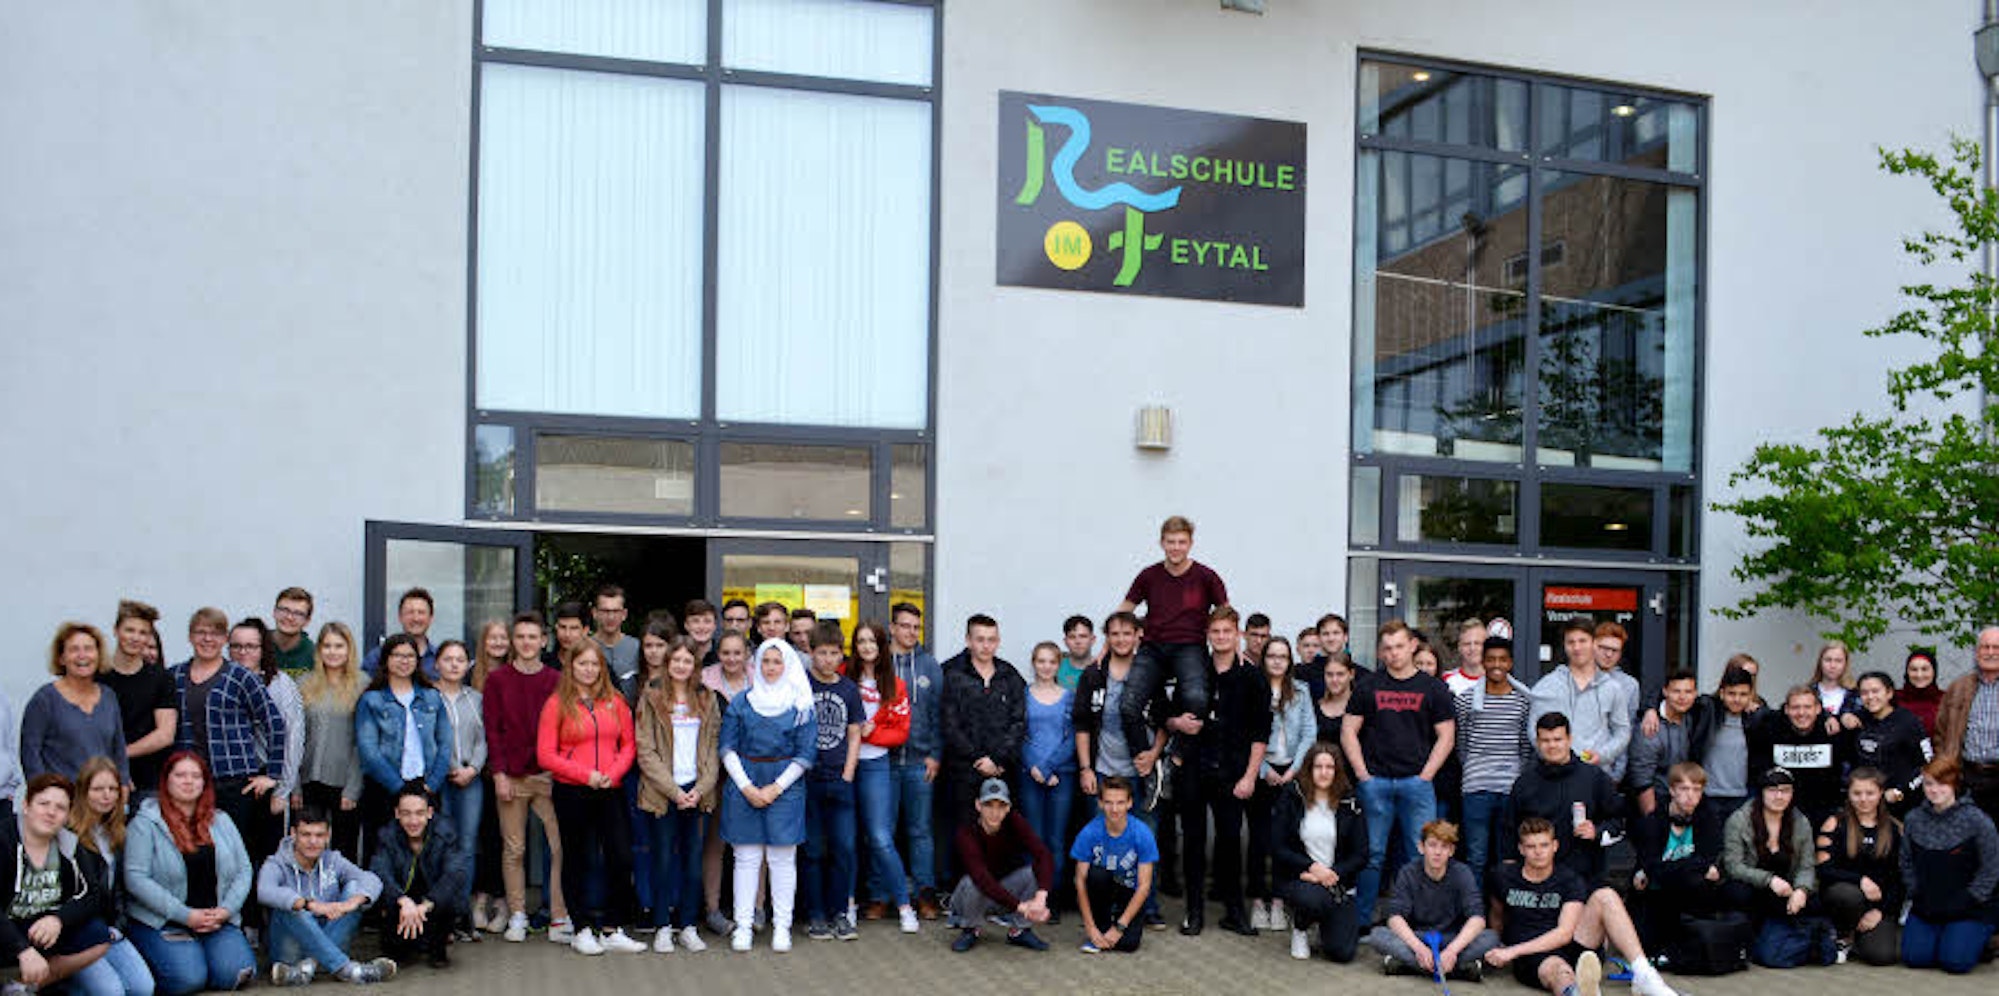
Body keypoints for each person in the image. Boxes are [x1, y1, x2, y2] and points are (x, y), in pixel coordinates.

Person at [1341, 619, 1455, 924]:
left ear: (1413, 645)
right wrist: (1363, 775)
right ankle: (1361, 921)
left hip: (1416, 784)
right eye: (1388, 648)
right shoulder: (1368, 685)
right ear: (1381, 651)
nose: (1394, 653)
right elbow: (1348, 730)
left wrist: (1426, 775)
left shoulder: (1433, 688)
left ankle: (1419, 922)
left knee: (1422, 855)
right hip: (1375, 782)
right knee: (1372, 855)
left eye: (1400, 646)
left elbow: (1447, 735)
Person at [1485, 817, 1679, 996]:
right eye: (1531, 846)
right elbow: (1497, 915)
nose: (1538, 852)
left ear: (1555, 846)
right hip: (1533, 955)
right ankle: (1579, 992)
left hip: (1571, 945)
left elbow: (1564, 933)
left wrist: (1512, 951)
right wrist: (1500, 948)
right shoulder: (1503, 876)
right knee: (1560, 971)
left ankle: (1644, 974)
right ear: (1521, 849)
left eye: (1544, 845)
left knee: (1606, 896)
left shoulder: (1568, 878)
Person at [536, 642, 643, 955]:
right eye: (582, 663)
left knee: (621, 857)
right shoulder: (557, 703)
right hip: (572, 791)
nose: (589, 669)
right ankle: (581, 928)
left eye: (594, 664)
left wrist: (612, 773)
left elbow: (629, 745)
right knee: (577, 859)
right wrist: (586, 776)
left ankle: (611, 928)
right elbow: (545, 755)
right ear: (571, 666)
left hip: (611, 788)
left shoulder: (615, 701)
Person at [0, 773, 150, 996]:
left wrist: (58, 919)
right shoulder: (5, 839)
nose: (51, 812)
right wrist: (22, 950)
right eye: (43, 804)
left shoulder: (68, 844)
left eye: (60, 807)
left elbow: (92, 894)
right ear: (26, 805)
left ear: (68, 814)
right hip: (7, 931)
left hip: (40, 928)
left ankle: (20, 986)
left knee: (97, 933)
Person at [124, 753, 258, 995]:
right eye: (180, 775)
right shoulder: (144, 823)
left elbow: (244, 869)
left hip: (216, 920)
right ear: (166, 780)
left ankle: (199, 955)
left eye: (196, 776)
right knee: (187, 980)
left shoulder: (221, 820)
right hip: (165, 921)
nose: (188, 781)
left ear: (205, 782)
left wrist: (226, 910)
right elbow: (135, 878)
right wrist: (185, 915)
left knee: (235, 973)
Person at [1112, 516, 1229, 790]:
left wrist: (1235, 648)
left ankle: (1173, 760)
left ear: (1190, 543)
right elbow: (1125, 610)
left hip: (1190, 647)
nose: (1176, 547)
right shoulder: (1149, 575)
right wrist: (1108, 644)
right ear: (1161, 543)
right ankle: (1146, 764)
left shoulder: (1206, 576)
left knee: (1198, 699)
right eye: (1171, 542)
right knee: (1128, 705)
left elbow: (1226, 614)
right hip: (1153, 647)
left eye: (1181, 542)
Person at [1174, 608, 1269, 937]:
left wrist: (1250, 776)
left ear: (1238, 634)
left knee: (1229, 844)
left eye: (1227, 631)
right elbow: (1168, 711)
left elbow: (1261, 732)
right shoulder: (1194, 672)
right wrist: (1176, 722)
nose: (1221, 637)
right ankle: (1194, 912)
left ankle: (1234, 913)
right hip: (1193, 769)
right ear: (1208, 635)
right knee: (1194, 843)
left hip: (1233, 773)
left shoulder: (1252, 677)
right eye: (1215, 631)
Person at [719, 638, 816, 953]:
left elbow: (806, 753)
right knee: (746, 859)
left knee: (782, 859)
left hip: (785, 786)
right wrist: (747, 787)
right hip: (744, 784)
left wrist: (776, 788)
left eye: (777, 662)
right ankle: (743, 926)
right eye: (765, 661)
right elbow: (727, 747)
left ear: (787, 666)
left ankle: (782, 927)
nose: (771, 667)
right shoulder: (742, 702)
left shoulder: (800, 705)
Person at [170, 609, 286, 870]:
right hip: (189, 782)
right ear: (190, 636)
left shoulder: (241, 676)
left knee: (235, 856)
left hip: (233, 783)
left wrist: (273, 774)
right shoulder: (174, 676)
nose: (207, 639)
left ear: (224, 639)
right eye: (201, 632)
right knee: (192, 854)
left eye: (215, 633)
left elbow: (275, 723)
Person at [482, 612, 569, 943]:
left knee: (558, 847)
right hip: (512, 776)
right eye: (520, 637)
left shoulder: (556, 679)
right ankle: (518, 914)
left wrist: (559, 769)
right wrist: (499, 774)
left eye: (533, 637)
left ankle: (559, 916)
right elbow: (493, 730)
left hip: (548, 775)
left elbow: (564, 726)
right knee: (514, 849)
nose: (526, 642)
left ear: (544, 641)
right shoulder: (497, 680)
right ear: (512, 642)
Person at [634, 635, 721, 953]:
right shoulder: (652, 695)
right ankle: (662, 926)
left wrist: (700, 788)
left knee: (693, 861)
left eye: (688, 661)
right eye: (676, 660)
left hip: (697, 791)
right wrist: (673, 791)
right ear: (668, 662)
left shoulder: (707, 697)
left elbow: (713, 747)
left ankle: (688, 926)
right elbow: (645, 750)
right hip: (663, 792)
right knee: (662, 860)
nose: (682, 666)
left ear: (695, 665)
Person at [257, 805, 393, 985]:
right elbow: (264, 890)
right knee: (291, 906)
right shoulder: (276, 863)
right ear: (293, 834)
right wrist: (308, 904)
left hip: (329, 941)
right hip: (290, 952)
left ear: (328, 836)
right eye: (306, 835)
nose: (313, 841)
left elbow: (371, 879)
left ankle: (307, 968)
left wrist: (350, 904)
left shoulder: (333, 860)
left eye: (319, 835)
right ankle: (349, 970)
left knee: (355, 888)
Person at [939, 615, 1026, 879]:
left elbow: (1019, 721)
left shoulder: (1009, 675)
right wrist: (978, 758)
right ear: (968, 640)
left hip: (1002, 770)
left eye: (991, 640)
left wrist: (997, 760)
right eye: (980, 639)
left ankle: (1000, 890)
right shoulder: (951, 673)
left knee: (1002, 832)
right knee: (964, 832)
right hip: (963, 770)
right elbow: (949, 724)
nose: (986, 646)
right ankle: (963, 890)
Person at [847, 621, 919, 932]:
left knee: (879, 837)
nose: (866, 647)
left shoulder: (895, 684)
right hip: (844, 765)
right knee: (847, 840)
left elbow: (900, 732)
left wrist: (871, 734)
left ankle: (904, 907)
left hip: (876, 766)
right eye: (861, 641)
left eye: (872, 641)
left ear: (881, 646)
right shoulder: (843, 675)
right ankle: (847, 905)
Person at [354, 634, 451, 860]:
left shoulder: (432, 697)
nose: (404, 661)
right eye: (397, 655)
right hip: (384, 786)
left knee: (427, 853)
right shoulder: (371, 699)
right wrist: (399, 788)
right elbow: (368, 751)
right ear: (386, 660)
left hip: (425, 785)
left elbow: (445, 743)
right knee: (380, 851)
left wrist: (433, 784)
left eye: (409, 656)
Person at [1899, 756, 1999, 973]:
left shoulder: (1978, 821)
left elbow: (1991, 870)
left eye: (1942, 783)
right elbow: (1905, 861)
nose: (1934, 790)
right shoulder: (1913, 819)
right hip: (1927, 906)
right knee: (1915, 958)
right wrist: (1915, 891)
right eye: (1929, 784)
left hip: (1968, 908)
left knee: (1955, 962)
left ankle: (1982, 941)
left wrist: (1969, 899)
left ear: (1955, 784)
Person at [1273, 744, 1367, 963]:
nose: (1324, 772)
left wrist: (1334, 873)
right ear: (1309, 769)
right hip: (1303, 879)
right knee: (1311, 898)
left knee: (1342, 953)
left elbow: (1361, 854)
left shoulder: (1350, 801)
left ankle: (1325, 928)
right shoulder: (1293, 796)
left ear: (1337, 771)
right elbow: (1278, 846)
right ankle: (1301, 927)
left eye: (1329, 767)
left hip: (1338, 883)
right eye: (1318, 767)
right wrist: (1311, 868)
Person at [1369, 820, 1497, 978]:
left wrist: (1452, 951)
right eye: (1432, 845)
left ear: (1451, 851)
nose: (1438, 852)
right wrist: (1419, 949)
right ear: (1421, 847)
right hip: (1419, 937)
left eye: (1444, 847)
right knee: (1378, 935)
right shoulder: (1408, 872)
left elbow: (1477, 918)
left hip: (1451, 938)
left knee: (1491, 938)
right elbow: (1395, 917)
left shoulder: (1462, 872)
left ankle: (1411, 966)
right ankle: (1458, 969)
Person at [1508, 713, 1623, 889]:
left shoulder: (1594, 778)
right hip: (1537, 882)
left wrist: (1597, 831)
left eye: (1557, 739)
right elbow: (1509, 831)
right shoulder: (1524, 783)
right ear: (1537, 743)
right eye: (1545, 740)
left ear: (1569, 739)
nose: (1552, 745)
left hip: (1585, 877)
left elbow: (1618, 821)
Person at [799, 623, 862, 942]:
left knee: (844, 848)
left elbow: (854, 734)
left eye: (834, 653)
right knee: (812, 850)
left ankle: (840, 913)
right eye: (822, 652)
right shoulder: (801, 685)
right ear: (810, 652)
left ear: (841, 655)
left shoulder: (848, 689)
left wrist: (847, 774)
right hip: (807, 778)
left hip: (840, 778)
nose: (827, 659)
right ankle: (815, 914)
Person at [369, 782, 471, 969]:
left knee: (449, 899)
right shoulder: (387, 835)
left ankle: (438, 944)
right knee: (397, 951)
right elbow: (379, 871)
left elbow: (455, 873)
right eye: (406, 813)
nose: (413, 821)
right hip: (402, 904)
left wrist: (426, 905)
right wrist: (402, 900)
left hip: (431, 902)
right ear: (397, 813)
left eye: (419, 813)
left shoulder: (445, 832)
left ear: (430, 813)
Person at [1626, 761, 1726, 951]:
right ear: (1672, 790)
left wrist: (1676, 869)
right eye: (1684, 789)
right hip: (1656, 895)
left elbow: (1709, 857)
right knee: (1645, 944)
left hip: (1691, 896)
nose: (1690, 796)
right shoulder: (1653, 821)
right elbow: (1652, 867)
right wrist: (1695, 867)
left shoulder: (1708, 817)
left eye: (1697, 790)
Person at [1249, 635, 1312, 931]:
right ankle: (1257, 902)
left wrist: (1294, 770)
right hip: (1260, 769)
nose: (1277, 661)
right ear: (1264, 659)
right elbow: (1246, 733)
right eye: (1272, 656)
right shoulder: (1253, 687)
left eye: (1283, 657)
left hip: (1291, 770)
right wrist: (1263, 770)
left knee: (1284, 839)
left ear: (1290, 661)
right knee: (1258, 839)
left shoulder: (1301, 690)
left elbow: (1309, 734)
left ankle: (1278, 902)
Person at [946, 779, 1052, 953]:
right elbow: (981, 878)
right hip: (967, 898)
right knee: (972, 882)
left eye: (1001, 806)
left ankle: (1019, 931)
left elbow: (1043, 854)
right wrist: (1022, 907)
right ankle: (970, 929)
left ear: (1008, 808)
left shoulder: (1015, 820)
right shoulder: (966, 831)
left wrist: (1041, 897)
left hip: (1002, 894)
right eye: (989, 805)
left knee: (1033, 871)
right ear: (978, 805)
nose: (995, 813)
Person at [1455, 636, 1531, 878]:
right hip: (1476, 787)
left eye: (1502, 659)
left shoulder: (1523, 701)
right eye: (1491, 659)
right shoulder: (1466, 700)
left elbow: (1525, 745)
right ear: (1483, 662)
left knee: (1506, 856)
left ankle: (1502, 903)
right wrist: (1474, 769)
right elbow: (1461, 743)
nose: (1497, 664)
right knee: (1476, 856)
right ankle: (1475, 903)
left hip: (1510, 788)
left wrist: (1517, 776)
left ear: (1510, 663)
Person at [1816, 767, 1903, 966]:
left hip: (1878, 905)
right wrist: (1860, 880)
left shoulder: (1895, 828)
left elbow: (1899, 879)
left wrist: (1880, 912)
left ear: (1881, 793)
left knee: (1882, 956)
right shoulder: (1835, 823)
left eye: (1870, 793)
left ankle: (1860, 937)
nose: (1863, 799)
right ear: (1848, 794)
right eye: (1857, 793)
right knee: (1847, 894)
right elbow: (1823, 869)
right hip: (1844, 898)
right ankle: (1843, 935)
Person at [294, 622, 366, 860]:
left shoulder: (362, 685)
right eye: (327, 646)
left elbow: (362, 742)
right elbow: (295, 738)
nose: (332, 652)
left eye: (339, 646)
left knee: (344, 850)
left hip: (344, 781)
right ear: (319, 650)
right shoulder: (304, 683)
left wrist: (353, 788)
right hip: (308, 780)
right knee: (307, 846)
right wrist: (294, 786)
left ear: (349, 649)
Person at [23, 622, 129, 783]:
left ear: (98, 655)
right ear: (61, 658)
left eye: (88, 649)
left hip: (102, 794)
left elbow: (118, 749)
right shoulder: (45, 699)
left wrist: (123, 782)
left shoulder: (108, 697)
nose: (82, 655)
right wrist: (43, 790)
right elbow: (30, 753)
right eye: (74, 649)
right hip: (62, 795)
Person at [1529, 620, 1632, 783]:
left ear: (1594, 644)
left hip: (1596, 775)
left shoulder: (1612, 688)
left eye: (1582, 641)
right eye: (1571, 642)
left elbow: (1622, 731)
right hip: (1555, 776)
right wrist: (1557, 756)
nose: (1576, 648)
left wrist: (1602, 755)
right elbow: (1533, 730)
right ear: (1564, 646)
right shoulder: (1547, 685)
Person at [698, 629, 753, 935]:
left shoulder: (760, 677)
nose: (732, 659)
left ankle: (756, 908)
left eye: (737, 653)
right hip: (716, 773)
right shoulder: (705, 680)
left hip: (754, 772)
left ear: (747, 654)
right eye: (726, 653)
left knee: (752, 843)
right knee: (715, 841)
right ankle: (713, 909)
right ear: (718, 654)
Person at [1720, 766, 1817, 939]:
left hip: (1785, 887)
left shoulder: (1800, 822)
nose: (1779, 796)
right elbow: (1733, 866)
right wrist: (1769, 880)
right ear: (1761, 792)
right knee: (1738, 894)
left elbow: (1807, 866)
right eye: (1772, 790)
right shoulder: (1739, 820)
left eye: (1785, 791)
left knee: (1813, 903)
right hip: (1751, 885)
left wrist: (1801, 890)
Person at [1018, 641, 1075, 922]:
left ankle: (1053, 898)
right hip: (1029, 774)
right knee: (1034, 838)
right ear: (1034, 663)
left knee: (1055, 840)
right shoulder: (1024, 695)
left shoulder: (1069, 697)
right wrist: (1035, 767)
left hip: (1061, 776)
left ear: (1058, 665)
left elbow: (1072, 737)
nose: (1046, 666)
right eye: (1041, 661)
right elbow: (1019, 733)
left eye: (1052, 661)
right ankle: (1031, 898)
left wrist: (1049, 767)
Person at [1069, 777, 1155, 954]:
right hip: (1102, 890)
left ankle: (1112, 927)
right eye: (1108, 802)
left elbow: (1144, 886)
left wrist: (1120, 927)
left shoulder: (1142, 833)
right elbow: (1080, 881)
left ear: (1130, 803)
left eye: (1120, 802)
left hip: (1130, 892)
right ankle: (1100, 926)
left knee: (1129, 944)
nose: (1114, 809)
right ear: (1100, 803)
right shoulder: (1089, 833)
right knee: (1096, 875)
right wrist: (1090, 928)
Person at [104, 601, 178, 799]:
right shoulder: (98, 677)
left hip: (149, 781)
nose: (135, 638)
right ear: (116, 630)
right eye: (129, 630)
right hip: (101, 779)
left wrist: (121, 754)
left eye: (143, 632)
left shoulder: (162, 679)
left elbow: (165, 734)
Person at [431, 641, 485, 901]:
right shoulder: (428, 696)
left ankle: (461, 907)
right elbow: (429, 740)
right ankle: (439, 904)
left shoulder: (476, 699)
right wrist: (449, 768)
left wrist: (473, 768)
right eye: (448, 659)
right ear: (436, 664)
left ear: (468, 665)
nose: (454, 665)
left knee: (467, 843)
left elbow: (483, 739)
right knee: (439, 841)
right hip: (438, 778)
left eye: (460, 660)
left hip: (471, 779)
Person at [1931, 625, 1999, 821]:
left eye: (1996, 647)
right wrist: (1946, 766)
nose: (1990, 652)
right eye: (1985, 647)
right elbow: (1941, 732)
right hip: (1967, 777)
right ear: (1977, 652)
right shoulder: (1959, 687)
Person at [1839, 670, 1928, 815]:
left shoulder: (1908, 722)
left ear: (1889, 693)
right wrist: (1843, 718)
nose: (1870, 697)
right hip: (1866, 805)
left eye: (1875, 691)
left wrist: (1901, 790)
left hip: (1902, 805)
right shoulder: (1856, 720)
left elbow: (1927, 765)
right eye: (1864, 693)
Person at [1750, 685, 1843, 823]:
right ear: (1786, 709)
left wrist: (1836, 815)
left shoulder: (1832, 731)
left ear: (1818, 709)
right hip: (1781, 813)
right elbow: (1759, 771)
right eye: (1795, 707)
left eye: (1807, 707)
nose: (1801, 713)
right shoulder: (1770, 730)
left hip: (1823, 812)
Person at [1628, 670, 1707, 817]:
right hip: (1659, 801)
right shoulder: (1650, 726)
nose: (1682, 697)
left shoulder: (1696, 716)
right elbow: (1642, 779)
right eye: (1676, 691)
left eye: (1688, 692)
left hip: (1688, 801)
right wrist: (1653, 819)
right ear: (1665, 692)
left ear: (1695, 694)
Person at [69, 758, 134, 927]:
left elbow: (119, 890)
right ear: (83, 791)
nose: (107, 795)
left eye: (113, 789)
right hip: (81, 927)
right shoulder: (69, 833)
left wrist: (118, 927)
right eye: (97, 789)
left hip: (112, 925)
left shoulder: (118, 831)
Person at [1702, 666, 1761, 813]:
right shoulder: (1707, 712)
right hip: (1708, 795)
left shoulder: (1756, 719)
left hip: (1743, 796)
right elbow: (1677, 698)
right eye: (1731, 694)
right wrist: (1650, 709)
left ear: (1751, 695)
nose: (1737, 699)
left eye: (1743, 694)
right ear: (1722, 693)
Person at [361, 588, 439, 680]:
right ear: (400, 617)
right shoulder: (377, 657)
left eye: (421, 612)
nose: (416, 618)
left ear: (431, 618)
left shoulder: (441, 659)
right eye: (410, 612)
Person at [589, 585, 640, 684]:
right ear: (595, 613)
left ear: (624, 614)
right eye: (605, 611)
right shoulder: (584, 647)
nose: (611, 617)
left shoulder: (637, 648)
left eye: (616, 611)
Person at [270, 589, 317, 677]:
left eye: (298, 613)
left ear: (307, 620)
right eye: (284, 610)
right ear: (274, 612)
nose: (289, 617)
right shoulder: (256, 645)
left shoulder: (315, 655)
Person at [1810, 642, 1859, 726]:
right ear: (1820, 663)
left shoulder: (1856, 693)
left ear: (1845, 664)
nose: (1832, 665)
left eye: (1838, 661)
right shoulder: (1808, 692)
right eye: (1828, 660)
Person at [1314, 650, 1356, 747]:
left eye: (1340, 674)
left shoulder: (1360, 707)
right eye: (1329, 674)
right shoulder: (1314, 707)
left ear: (1351, 674)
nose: (1334, 680)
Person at [1900, 650, 1944, 737]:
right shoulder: (1893, 699)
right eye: (1914, 670)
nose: (1919, 675)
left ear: (1934, 672)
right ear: (1907, 672)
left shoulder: (1947, 700)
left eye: (1925, 669)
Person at [1445, 619, 1488, 696]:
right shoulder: (1446, 680)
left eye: (1477, 643)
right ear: (1459, 647)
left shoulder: (1498, 680)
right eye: (1467, 644)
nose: (1472, 648)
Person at [548, 603, 591, 671]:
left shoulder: (595, 665)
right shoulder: (543, 664)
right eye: (562, 627)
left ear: (585, 631)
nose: (567, 634)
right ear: (556, 627)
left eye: (574, 628)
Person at [1057, 616, 1094, 691]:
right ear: (1065, 641)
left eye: (1083, 636)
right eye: (1072, 637)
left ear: (1092, 639)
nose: (1078, 641)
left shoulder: (1102, 669)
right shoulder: (1055, 667)